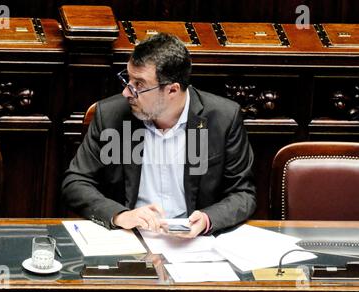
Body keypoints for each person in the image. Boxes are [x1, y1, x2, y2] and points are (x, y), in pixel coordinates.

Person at [62, 33, 256, 238]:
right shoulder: (111, 115)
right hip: (130, 238)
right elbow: (75, 182)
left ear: (172, 90)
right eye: (128, 79)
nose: (127, 93)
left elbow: (243, 193)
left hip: (195, 242)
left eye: (139, 85)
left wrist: (207, 219)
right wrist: (119, 215)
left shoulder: (224, 118)